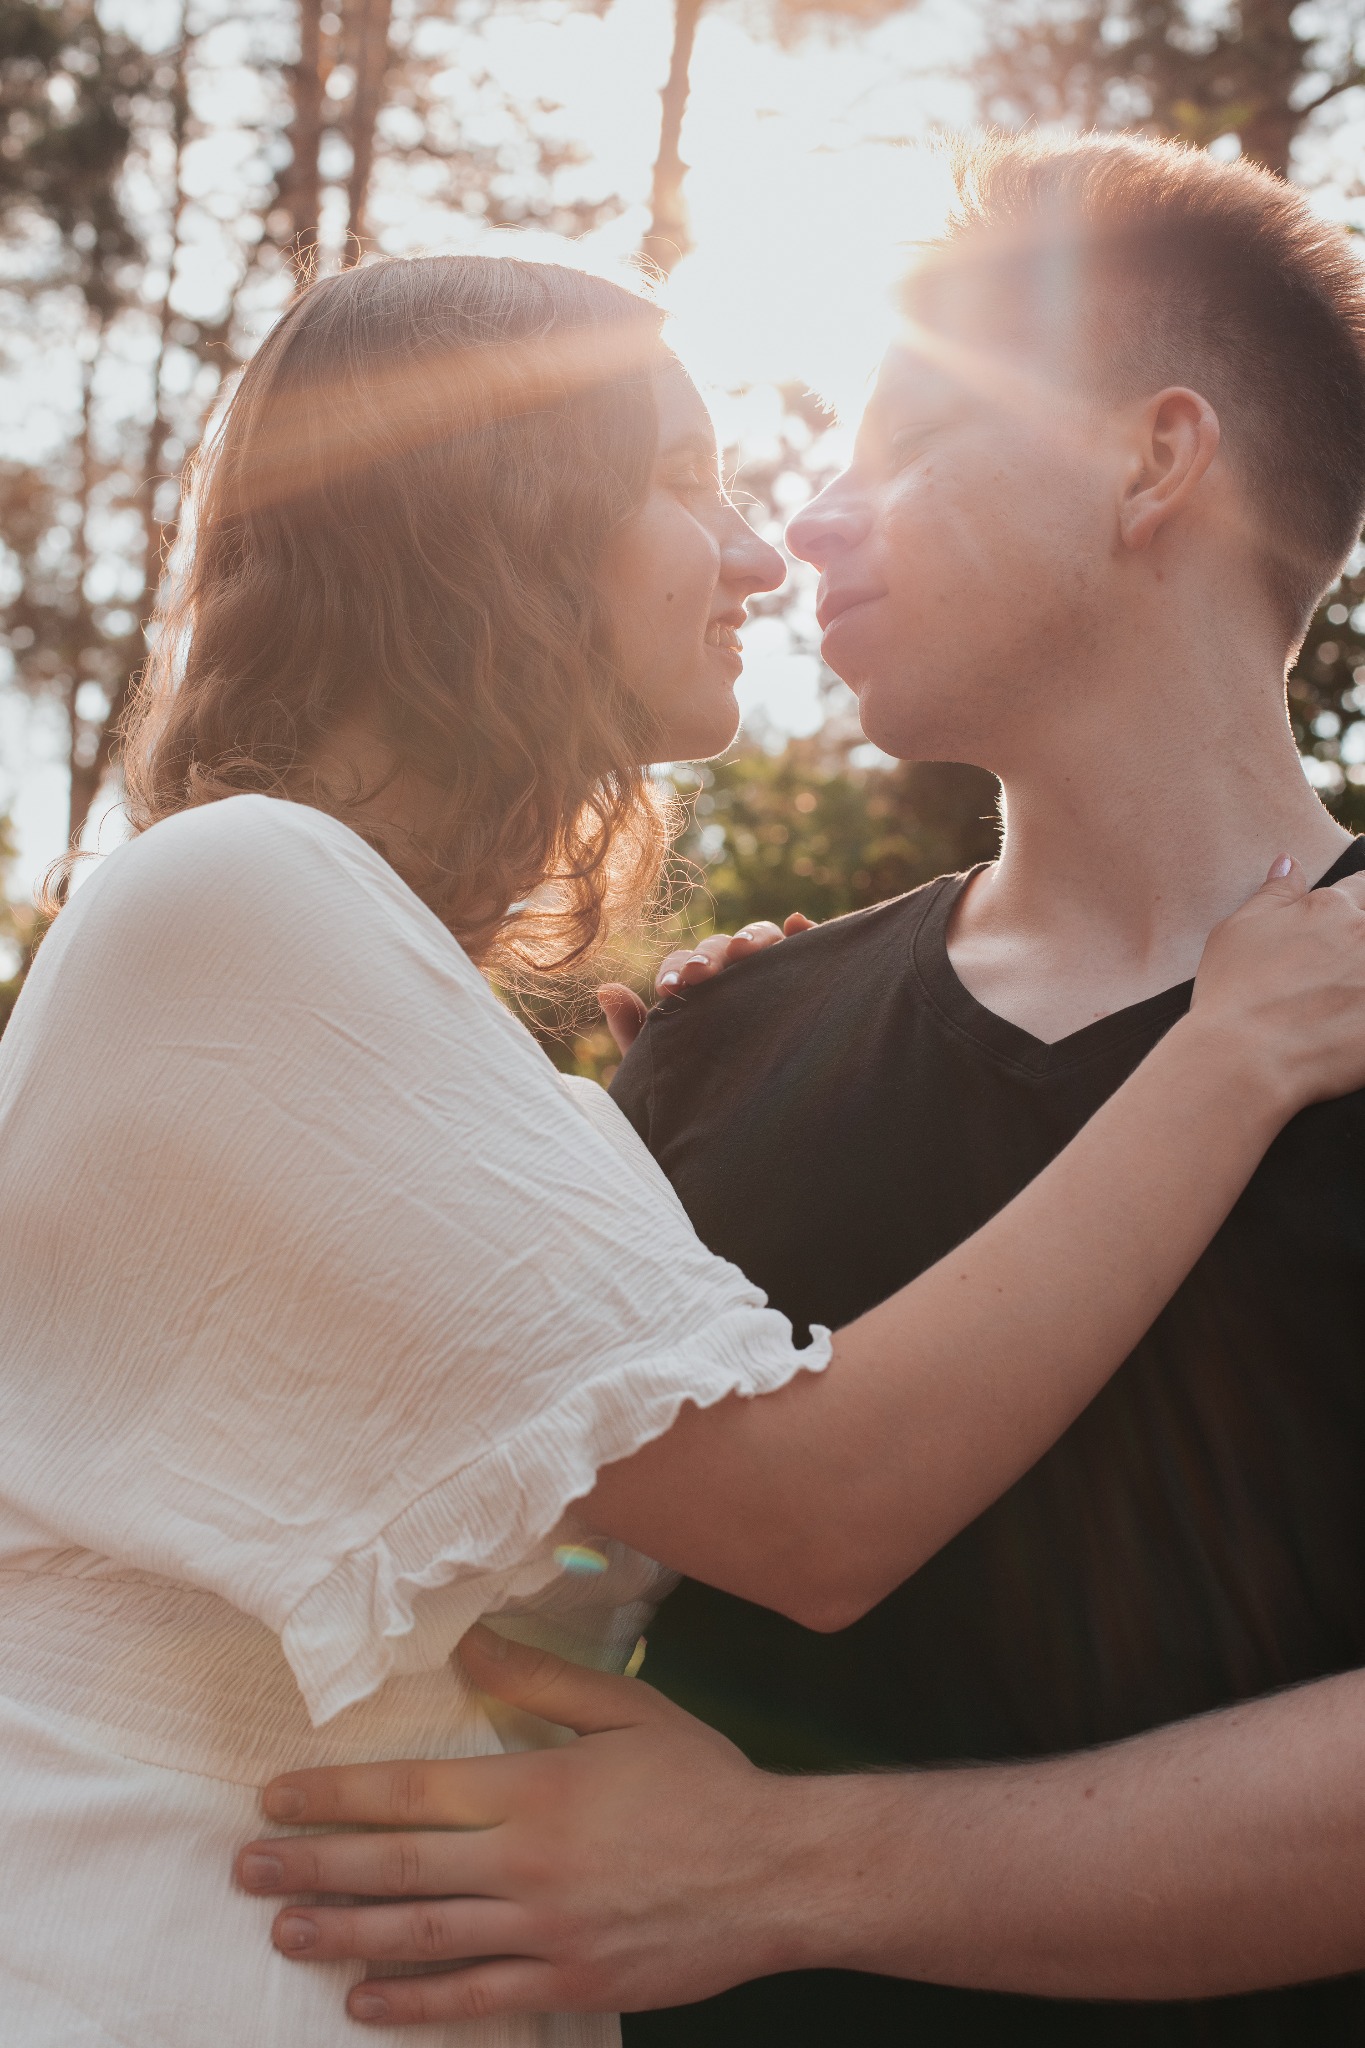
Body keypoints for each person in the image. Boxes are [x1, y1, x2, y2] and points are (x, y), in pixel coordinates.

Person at [233, 137, 1365, 2042]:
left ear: (1151, 461)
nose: (803, 529)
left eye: (897, 450)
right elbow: (539, 1593)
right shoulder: (716, 1046)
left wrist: (790, 1873)